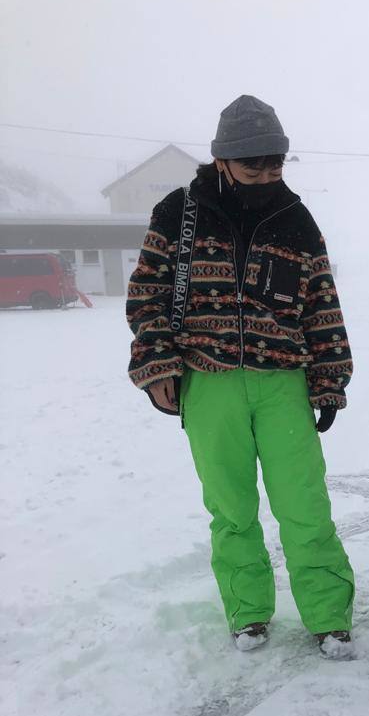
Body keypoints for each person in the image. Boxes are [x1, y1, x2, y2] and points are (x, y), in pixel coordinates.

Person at [126, 95, 355, 658]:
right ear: (223, 160)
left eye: (276, 164)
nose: (267, 175)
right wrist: (156, 365)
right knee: (231, 509)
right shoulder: (177, 213)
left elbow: (321, 302)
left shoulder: (295, 219)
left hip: (283, 382)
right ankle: (248, 611)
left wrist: (329, 378)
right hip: (209, 382)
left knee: (305, 506)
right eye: (254, 165)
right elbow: (147, 295)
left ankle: (328, 616)